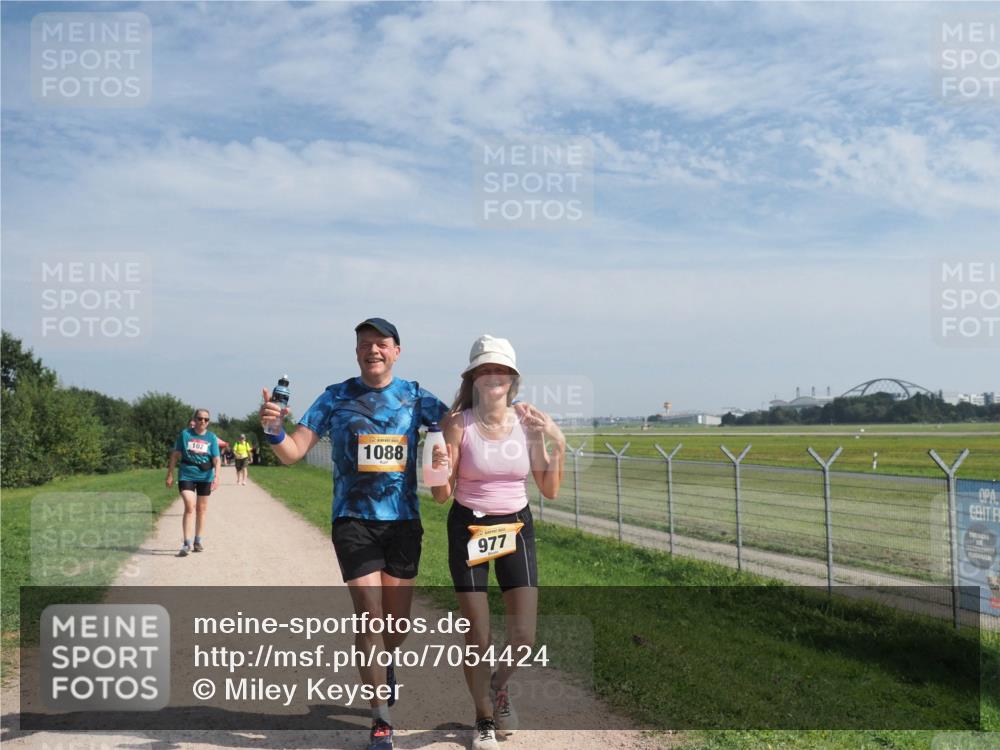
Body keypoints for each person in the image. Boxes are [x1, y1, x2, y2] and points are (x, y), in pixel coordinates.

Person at [259, 317, 447, 750]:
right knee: (369, 612)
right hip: (353, 519)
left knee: (395, 626)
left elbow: (458, 425)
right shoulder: (335, 397)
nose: (373, 350)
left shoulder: (416, 396)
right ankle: (380, 719)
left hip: (402, 521)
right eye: (364, 344)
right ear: (357, 352)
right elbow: (292, 453)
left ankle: (389, 662)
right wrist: (272, 430)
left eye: (381, 343)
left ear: (397, 351)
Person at [430, 335, 565, 750]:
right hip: (469, 525)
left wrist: (553, 445)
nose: (495, 377)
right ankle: (484, 718)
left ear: (513, 378)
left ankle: (495, 685)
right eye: (486, 369)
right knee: (479, 637)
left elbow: (549, 489)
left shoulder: (527, 421)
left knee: (523, 636)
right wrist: (438, 470)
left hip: (516, 526)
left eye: (502, 370)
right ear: (473, 377)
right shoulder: (457, 423)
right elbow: (441, 495)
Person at [166, 409, 221, 557]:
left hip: (205, 476)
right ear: (194, 419)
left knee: (201, 510)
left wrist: (217, 477)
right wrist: (170, 474)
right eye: (200, 418)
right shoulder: (185, 435)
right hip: (187, 474)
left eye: (206, 419)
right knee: (190, 506)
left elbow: (216, 459)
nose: (203, 421)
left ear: (208, 421)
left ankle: (197, 541)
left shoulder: (211, 437)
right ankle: (186, 543)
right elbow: (175, 455)